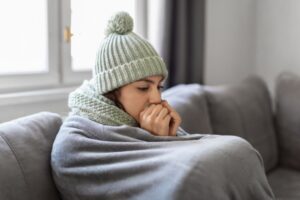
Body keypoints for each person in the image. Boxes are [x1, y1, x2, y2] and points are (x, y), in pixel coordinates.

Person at [51, 11, 275, 200]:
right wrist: (159, 143)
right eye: (143, 87)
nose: (156, 98)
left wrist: (168, 140)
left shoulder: (131, 118)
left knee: (238, 150)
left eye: (159, 87)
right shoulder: (78, 137)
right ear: (110, 90)